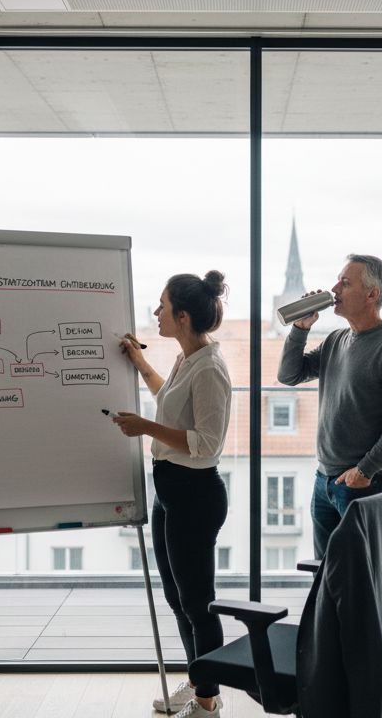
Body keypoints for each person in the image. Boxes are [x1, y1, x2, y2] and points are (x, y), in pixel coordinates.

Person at [112, 271, 233, 718]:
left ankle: (207, 700)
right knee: (177, 597)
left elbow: (206, 442)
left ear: (182, 316)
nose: (156, 314)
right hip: (170, 490)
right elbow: (171, 400)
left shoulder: (211, 368)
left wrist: (143, 427)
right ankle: (199, 677)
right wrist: (141, 365)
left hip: (195, 494)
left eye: (162, 306)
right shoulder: (188, 359)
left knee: (197, 603)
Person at [278, 254, 382, 559]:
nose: (334, 289)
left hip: (365, 485)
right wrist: (300, 328)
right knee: (328, 581)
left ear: (372, 294)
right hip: (324, 482)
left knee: (366, 583)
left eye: (345, 282)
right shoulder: (336, 340)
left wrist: (364, 471)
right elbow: (289, 375)